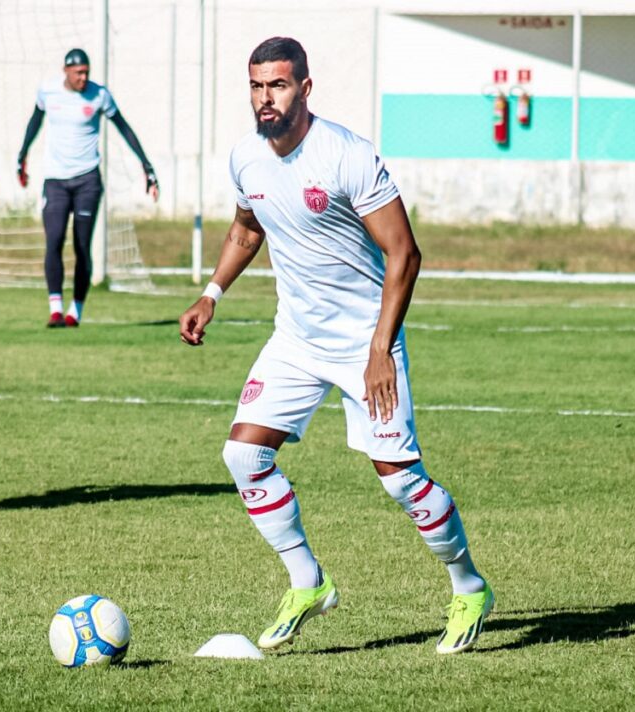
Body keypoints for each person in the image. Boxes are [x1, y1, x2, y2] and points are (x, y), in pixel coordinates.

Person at [179, 37, 493, 654]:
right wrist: (211, 293)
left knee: (400, 480)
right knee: (243, 457)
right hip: (296, 338)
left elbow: (405, 252)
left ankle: (469, 586)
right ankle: (308, 582)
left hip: (364, 342)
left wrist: (381, 348)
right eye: (255, 86)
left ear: (305, 88)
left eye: (277, 85)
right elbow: (248, 229)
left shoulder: (346, 155)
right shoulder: (246, 157)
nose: (265, 98)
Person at [17, 48, 159, 328]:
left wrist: (147, 166)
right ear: (66, 71)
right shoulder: (48, 92)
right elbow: (34, 122)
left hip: (87, 181)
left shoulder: (99, 96)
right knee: (54, 241)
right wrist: (22, 156)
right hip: (56, 181)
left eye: (86, 73)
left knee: (82, 246)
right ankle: (55, 308)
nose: (83, 78)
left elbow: (124, 128)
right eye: (78, 73)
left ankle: (75, 311)